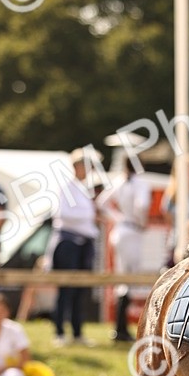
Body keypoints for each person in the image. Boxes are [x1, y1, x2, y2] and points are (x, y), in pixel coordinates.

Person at [48, 148, 100, 347]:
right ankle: (60, 332)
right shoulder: (67, 187)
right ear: (77, 166)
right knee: (66, 290)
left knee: (80, 290)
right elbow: (63, 214)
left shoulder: (83, 189)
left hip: (83, 244)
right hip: (68, 243)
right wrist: (89, 216)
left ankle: (77, 332)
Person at [99, 158, 151, 342]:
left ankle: (120, 326)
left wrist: (118, 218)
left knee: (123, 279)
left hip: (120, 231)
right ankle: (121, 327)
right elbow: (142, 205)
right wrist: (140, 220)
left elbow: (101, 202)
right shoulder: (139, 183)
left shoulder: (119, 181)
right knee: (130, 280)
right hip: (132, 231)